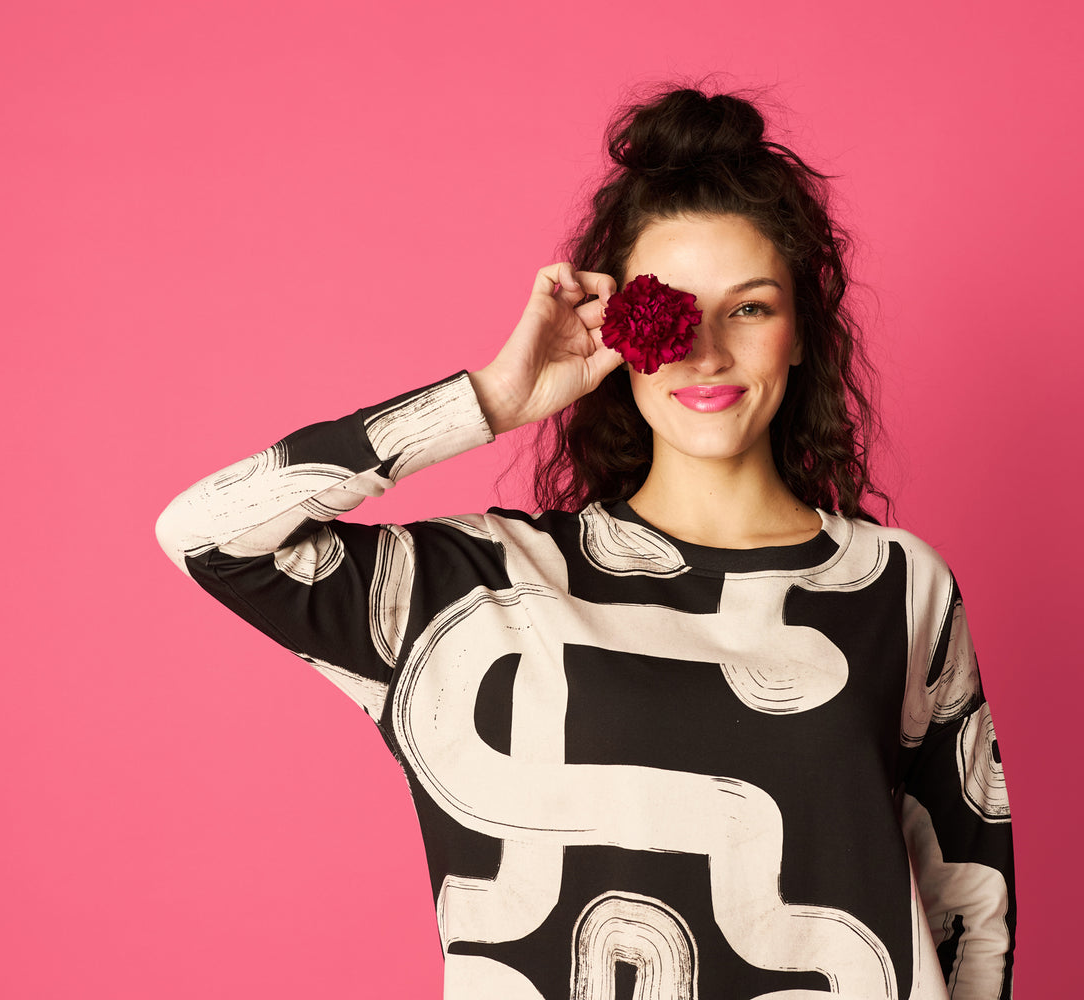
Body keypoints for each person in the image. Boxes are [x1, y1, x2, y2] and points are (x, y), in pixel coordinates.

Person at [156, 85, 1016, 1000]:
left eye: (751, 309)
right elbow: (209, 535)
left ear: (801, 332)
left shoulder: (898, 586)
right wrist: (490, 400)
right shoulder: (486, 588)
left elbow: (970, 909)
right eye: (673, 314)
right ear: (624, 336)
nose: (708, 353)